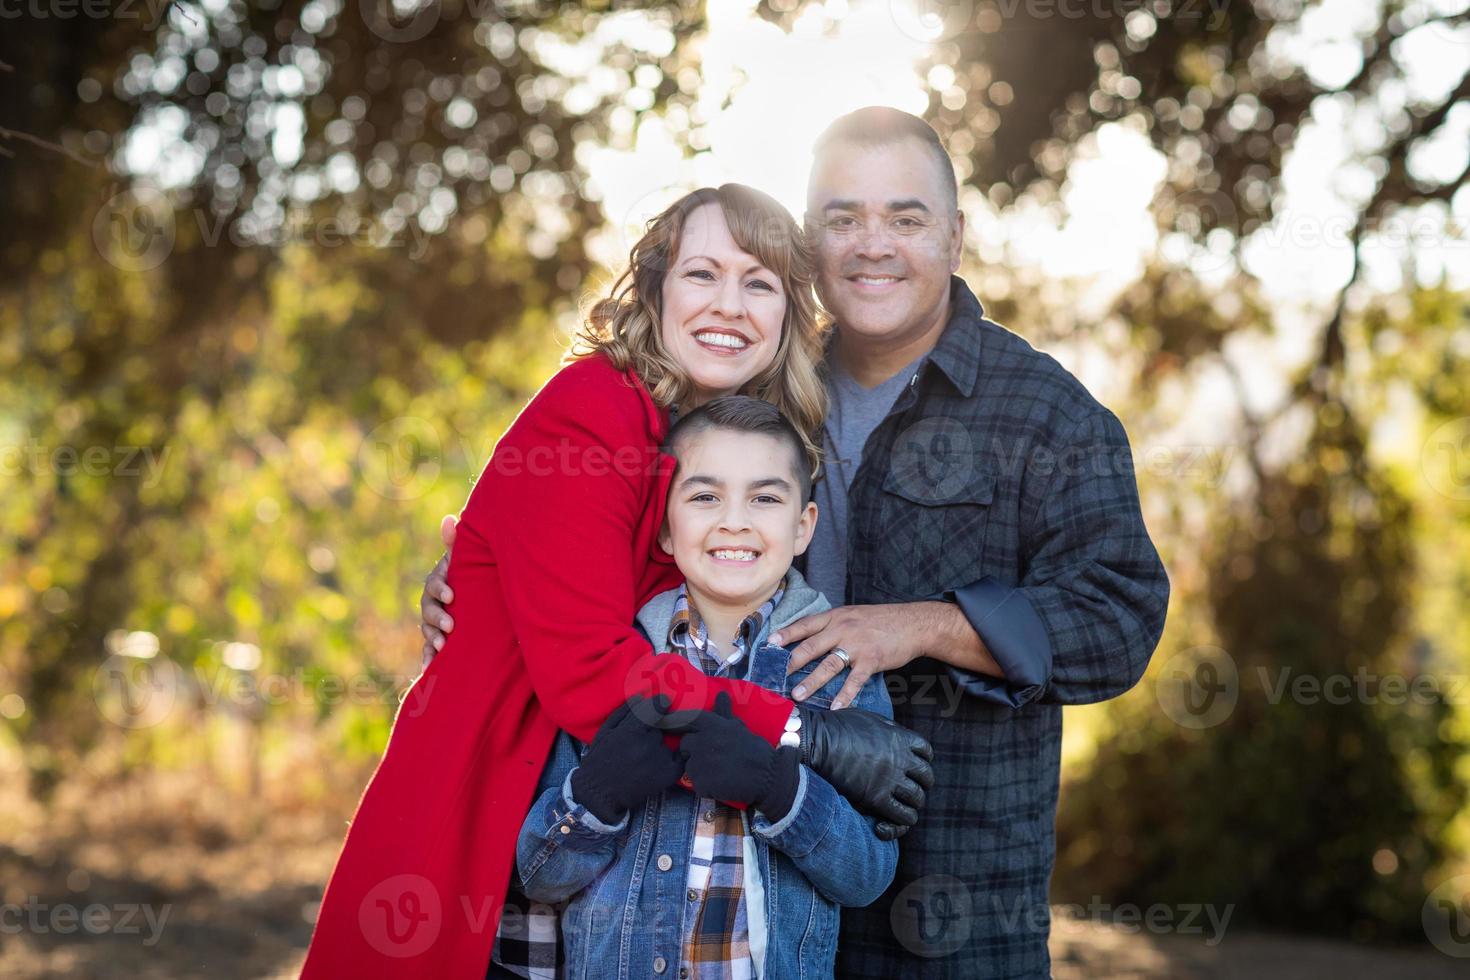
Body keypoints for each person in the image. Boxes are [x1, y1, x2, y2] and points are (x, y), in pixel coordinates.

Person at [424, 109, 1170, 979]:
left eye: (905, 217)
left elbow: (1119, 620)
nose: (871, 244)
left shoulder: (1047, 414)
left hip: (947, 900)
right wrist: (482, 587)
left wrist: (923, 626)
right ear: (811, 244)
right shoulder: (761, 387)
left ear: (957, 237)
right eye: (842, 218)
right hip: (746, 898)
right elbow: (626, 555)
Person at [302, 184, 934, 979]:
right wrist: (804, 735)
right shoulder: (593, 408)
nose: (729, 305)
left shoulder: (729, 450)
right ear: (657, 291)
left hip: (625, 835)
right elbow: (593, 677)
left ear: (788, 316)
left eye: (760, 283)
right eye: (702, 274)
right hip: (501, 797)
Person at [502, 395, 898, 980]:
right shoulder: (612, 660)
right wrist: (596, 798)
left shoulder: (833, 671)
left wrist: (784, 792)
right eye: (705, 496)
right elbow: (540, 876)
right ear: (665, 528)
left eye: (765, 497)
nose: (734, 520)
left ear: (803, 527)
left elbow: (868, 876)